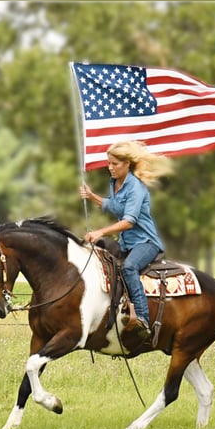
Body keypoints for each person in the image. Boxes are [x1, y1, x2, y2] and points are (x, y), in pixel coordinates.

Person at [80, 140, 172, 341]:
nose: (110, 168)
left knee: (129, 267)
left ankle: (142, 319)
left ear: (127, 164)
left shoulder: (136, 188)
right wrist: (92, 196)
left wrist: (100, 232)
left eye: (115, 164)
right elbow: (115, 206)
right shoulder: (115, 183)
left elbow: (129, 221)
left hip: (146, 243)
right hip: (126, 243)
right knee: (97, 252)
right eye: (109, 163)